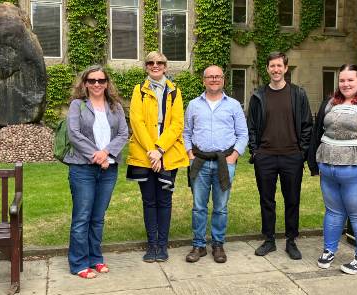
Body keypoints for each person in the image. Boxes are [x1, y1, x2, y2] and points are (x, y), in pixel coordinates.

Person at [308, 64, 357, 274]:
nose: (345, 84)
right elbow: (317, 132)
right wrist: (313, 162)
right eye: (342, 80)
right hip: (328, 171)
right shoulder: (329, 103)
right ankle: (329, 250)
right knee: (333, 213)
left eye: (350, 80)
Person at [64, 65, 128, 279]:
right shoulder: (77, 105)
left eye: (101, 80)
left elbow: (122, 133)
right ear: (85, 84)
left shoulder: (115, 106)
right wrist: (97, 155)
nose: (97, 84)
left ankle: (95, 259)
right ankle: (79, 263)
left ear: (107, 83)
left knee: (98, 217)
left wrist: (106, 153)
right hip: (83, 168)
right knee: (82, 217)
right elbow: (74, 134)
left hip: (108, 169)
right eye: (92, 80)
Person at [247, 52, 313, 260]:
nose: (275, 70)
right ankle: (269, 240)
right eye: (272, 66)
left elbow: (306, 125)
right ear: (267, 69)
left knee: (292, 200)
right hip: (265, 156)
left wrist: (301, 152)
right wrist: (255, 151)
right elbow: (252, 127)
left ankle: (291, 241)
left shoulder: (298, 94)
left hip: (291, 156)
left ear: (286, 68)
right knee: (267, 200)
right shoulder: (259, 95)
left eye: (279, 66)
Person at [126, 51, 188, 263]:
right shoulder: (138, 91)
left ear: (165, 66)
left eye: (159, 62)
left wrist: (160, 149)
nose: (155, 65)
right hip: (144, 154)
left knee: (164, 200)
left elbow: (177, 124)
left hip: (168, 154)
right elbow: (137, 122)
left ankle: (163, 245)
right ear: (146, 66)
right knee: (149, 201)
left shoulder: (175, 91)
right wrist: (151, 151)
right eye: (151, 62)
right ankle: (152, 244)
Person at [183, 65, 248, 263]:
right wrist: (189, 154)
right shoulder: (194, 104)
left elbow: (243, 134)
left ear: (223, 80)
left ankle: (218, 244)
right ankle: (199, 245)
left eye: (217, 76)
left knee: (220, 207)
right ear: (203, 80)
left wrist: (234, 156)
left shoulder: (234, 105)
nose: (213, 80)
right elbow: (186, 132)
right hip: (199, 161)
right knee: (198, 207)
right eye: (210, 77)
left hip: (224, 162)